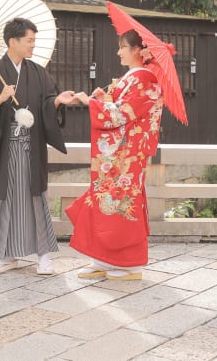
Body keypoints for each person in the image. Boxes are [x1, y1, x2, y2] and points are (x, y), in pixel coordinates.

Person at [0, 17, 77, 276]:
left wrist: (56, 102)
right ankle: (6, 256)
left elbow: (47, 102)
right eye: (29, 41)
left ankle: (43, 255)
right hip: (4, 150)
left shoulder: (38, 73)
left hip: (31, 149)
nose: (33, 45)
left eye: (33, 40)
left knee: (35, 200)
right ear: (13, 41)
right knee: (5, 201)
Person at [65, 29, 164, 281]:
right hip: (119, 154)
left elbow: (123, 112)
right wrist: (103, 97)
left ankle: (129, 265)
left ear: (137, 51)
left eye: (123, 47)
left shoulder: (146, 79)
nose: (119, 52)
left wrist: (92, 103)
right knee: (103, 201)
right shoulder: (135, 77)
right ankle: (103, 259)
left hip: (127, 156)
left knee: (122, 206)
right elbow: (119, 104)